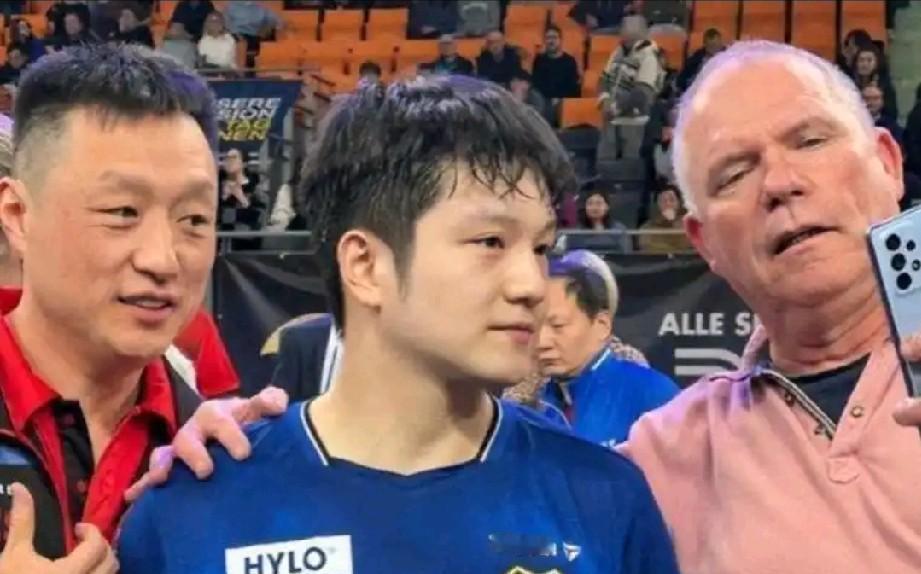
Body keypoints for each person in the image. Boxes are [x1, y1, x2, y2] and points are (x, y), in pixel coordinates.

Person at [117, 75, 680, 574]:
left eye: (540, 248)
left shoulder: (605, 499)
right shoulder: (193, 508)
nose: (532, 284)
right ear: (365, 266)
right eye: (491, 242)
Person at [619, 40, 921, 573]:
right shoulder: (663, 457)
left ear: (888, 163)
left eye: (811, 141)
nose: (780, 184)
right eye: (734, 175)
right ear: (704, 243)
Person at [0, 43, 284, 571]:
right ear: (18, 214)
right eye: (122, 211)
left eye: (194, 220)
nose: (163, 259)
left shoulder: (212, 450)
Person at [536, 252, 678, 448]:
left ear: (602, 325)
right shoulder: (534, 402)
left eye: (558, 325)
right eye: (534, 327)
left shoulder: (652, 393)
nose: (541, 342)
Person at [596, 15, 663, 161]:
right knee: (604, 162)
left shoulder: (649, 55)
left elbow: (643, 93)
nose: (621, 31)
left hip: (636, 123)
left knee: (629, 166)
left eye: (624, 27)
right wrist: (605, 100)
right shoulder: (617, 52)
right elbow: (604, 79)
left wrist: (616, 107)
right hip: (611, 120)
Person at [531, 24, 581, 100]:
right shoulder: (539, 60)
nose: (551, 41)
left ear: (560, 40)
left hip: (563, 101)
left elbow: (572, 88)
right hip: (543, 101)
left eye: (554, 37)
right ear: (544, 41)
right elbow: (536, 85)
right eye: (548, 38)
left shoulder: (569, 61)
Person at [638, 185, 693, 254]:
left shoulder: (690, 226)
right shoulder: (647, 228)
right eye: (663, 201)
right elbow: (648, 248)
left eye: (672, 200)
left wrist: (676, 224)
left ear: (679, 202)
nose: (668, 204)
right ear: (657, 204)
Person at [676, 27, 724, 94]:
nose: (714, 49)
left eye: (716, 45)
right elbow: (682, 79)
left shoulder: (729, 57)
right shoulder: (696, 59)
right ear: (705, 45)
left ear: (721, 43)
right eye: (711, 46)